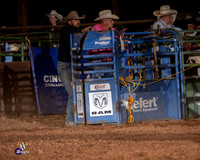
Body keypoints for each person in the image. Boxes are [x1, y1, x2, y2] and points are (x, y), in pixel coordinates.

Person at [57, 11, 91, 125]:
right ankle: (70, 120)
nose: (78, 22)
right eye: (76, 20)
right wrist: (84, 30)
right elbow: (73, 31)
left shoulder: (75, 30)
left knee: (76, 91)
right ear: (69, 21)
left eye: (79, 20)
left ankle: (77, 118)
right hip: (64, 65)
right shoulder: (66, 30)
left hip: (72, 64)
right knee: (72, 93)